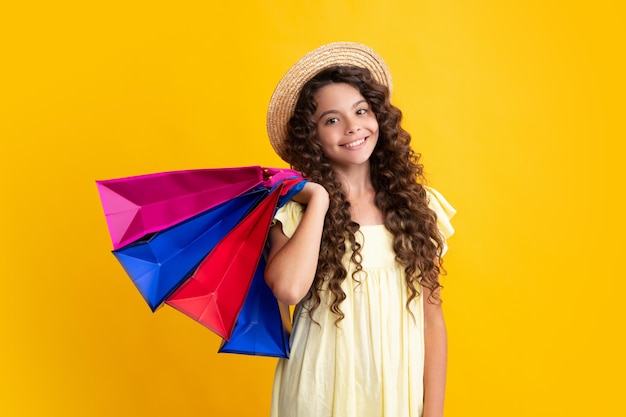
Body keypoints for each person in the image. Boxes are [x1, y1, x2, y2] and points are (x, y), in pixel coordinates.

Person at [264, 42, 456, 417]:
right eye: (332, 119)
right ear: (312, 136)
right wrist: (318, 201)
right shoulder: (294, 212)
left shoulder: (419, 206)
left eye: (361, 111)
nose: (353, 127)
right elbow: (287, 290)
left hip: (396, 386)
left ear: (378, 118)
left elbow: (432, 320)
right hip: (319, 386)